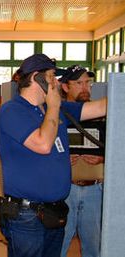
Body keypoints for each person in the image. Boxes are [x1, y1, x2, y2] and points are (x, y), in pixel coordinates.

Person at [0, 53, 106, 257]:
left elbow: (99, 107)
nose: (56, 82)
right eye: (52, 76)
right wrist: (54, 106)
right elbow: (43, 144)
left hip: (55, 212)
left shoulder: (55, 109)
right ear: (37, 77)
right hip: (26, 216)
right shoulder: (12, 111)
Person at [60, 65, 105, 257]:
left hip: (95, 190)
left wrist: (104, 158)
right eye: (78, 83)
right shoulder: (55, 115)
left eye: (88, 82)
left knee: (93, 247)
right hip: (64, 190)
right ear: (65, 87)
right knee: (58, 245)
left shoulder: (103, 114)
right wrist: (60, 159)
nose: (85, 87)